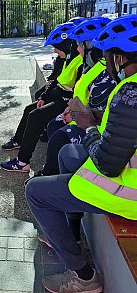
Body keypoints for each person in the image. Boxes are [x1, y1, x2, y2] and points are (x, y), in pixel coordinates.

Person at [25, 15, 137, 293]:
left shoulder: (130, 92)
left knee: (35, 191)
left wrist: (87, 127)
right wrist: (96, 116)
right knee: (67, 152)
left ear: (119, 58)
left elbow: (108, 165)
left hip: (128, 195)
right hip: (126, 179)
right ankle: (70, 235)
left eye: (108, 55)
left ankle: (84, 277)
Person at [37, 17, 116, 177]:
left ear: (90, 47)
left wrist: (72, 113)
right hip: (80, 115)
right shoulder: (92, 67)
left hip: (95, 128)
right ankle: (53, 171)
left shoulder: (105, 73)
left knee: (59, 136)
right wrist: (69, 110)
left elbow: (97, 111)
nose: (78, 50)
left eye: (80, 46)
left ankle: (50, 175)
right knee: (54, 126)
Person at [0, 22, 83, 172]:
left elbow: (74, 91)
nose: (55, 50)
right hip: (59, 98)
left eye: (56, 46)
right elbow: (55, 80)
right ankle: (18, 141)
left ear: (66, 44)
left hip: (67, 103)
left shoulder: (80, 62)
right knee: (29, 110)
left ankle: (22, 162)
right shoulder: (66, 59)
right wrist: (44, 97)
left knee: (36, 116)